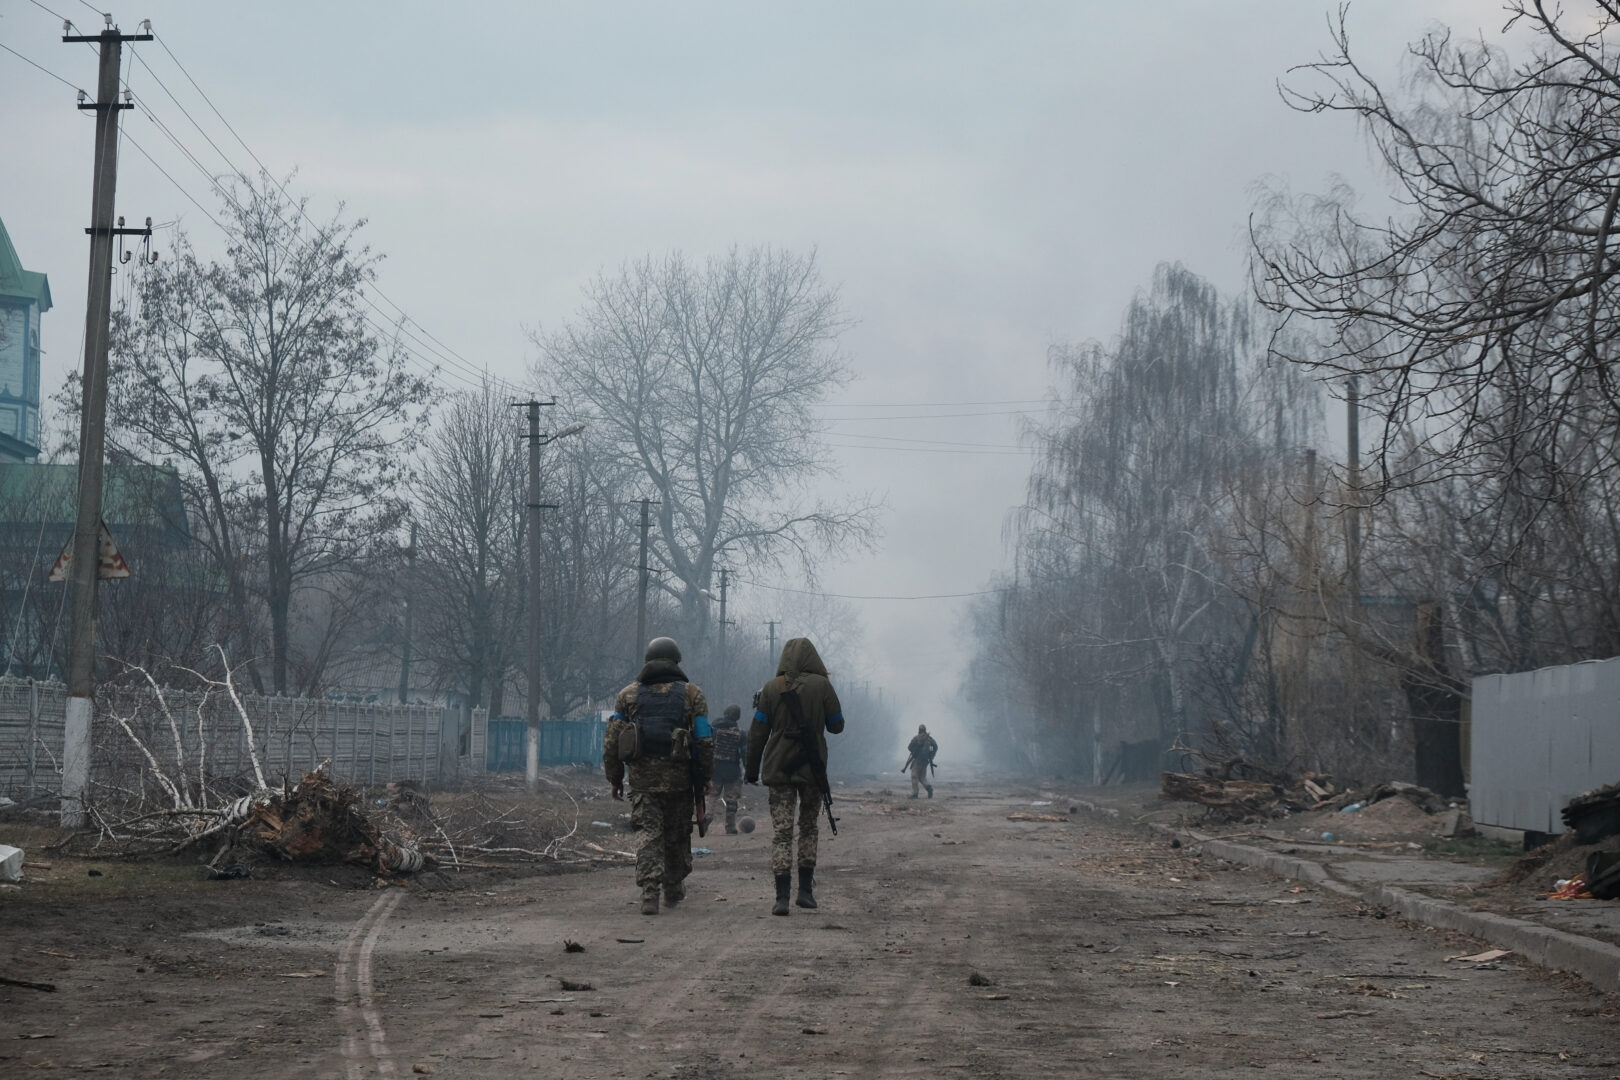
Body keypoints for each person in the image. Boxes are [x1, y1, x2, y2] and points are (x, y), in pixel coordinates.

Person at [603, 637, 714, 915]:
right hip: (680, 782)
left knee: (649, 834)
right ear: (676, 662)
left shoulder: (627, 695)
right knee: (677, 834)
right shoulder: (692, 694)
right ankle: (673, 887)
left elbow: (612, 742)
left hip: (643, 783)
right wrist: (705, 777)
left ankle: (649, 893)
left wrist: (615, 780)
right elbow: (703, 740)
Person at [746, 637, 843, 916]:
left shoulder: (770, 688)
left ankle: (781, 898)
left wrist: (751, 770)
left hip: (778, 769)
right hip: (812, 769)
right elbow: (836, 725)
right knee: (809, 827)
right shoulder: (822, 686)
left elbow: (757, 733)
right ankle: (805, 893)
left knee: (782, 832)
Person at [710, 705, 746, 833]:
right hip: (732, 770)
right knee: (731, 799)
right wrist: (748, 770)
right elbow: (744, 753)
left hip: (715, 769)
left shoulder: (714, 730)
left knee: (712, 796)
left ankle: (707, 816)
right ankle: (730, 827)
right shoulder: (741, 734)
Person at [906, 724, 938, 799]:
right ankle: (929, 788)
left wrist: (915, 752)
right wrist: (931, 756)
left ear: (919, 730)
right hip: (925, 761)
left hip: (917, 760)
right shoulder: (930, 739)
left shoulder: (916, 738)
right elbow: (936, 747)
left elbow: (909, 747)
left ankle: (915, 794)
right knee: (922, 777)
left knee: (914, 776)